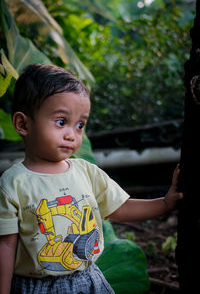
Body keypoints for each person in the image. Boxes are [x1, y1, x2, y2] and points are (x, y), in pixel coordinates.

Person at [0, 64, 183, 294]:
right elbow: (6, 244)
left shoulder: (86, 171)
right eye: (60, 122)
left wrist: (165, 204)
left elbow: (121, 207)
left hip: (89, 280)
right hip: (37, 287)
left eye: (80, 125)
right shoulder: (13, 183)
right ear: (23, 124)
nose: (72, 135)